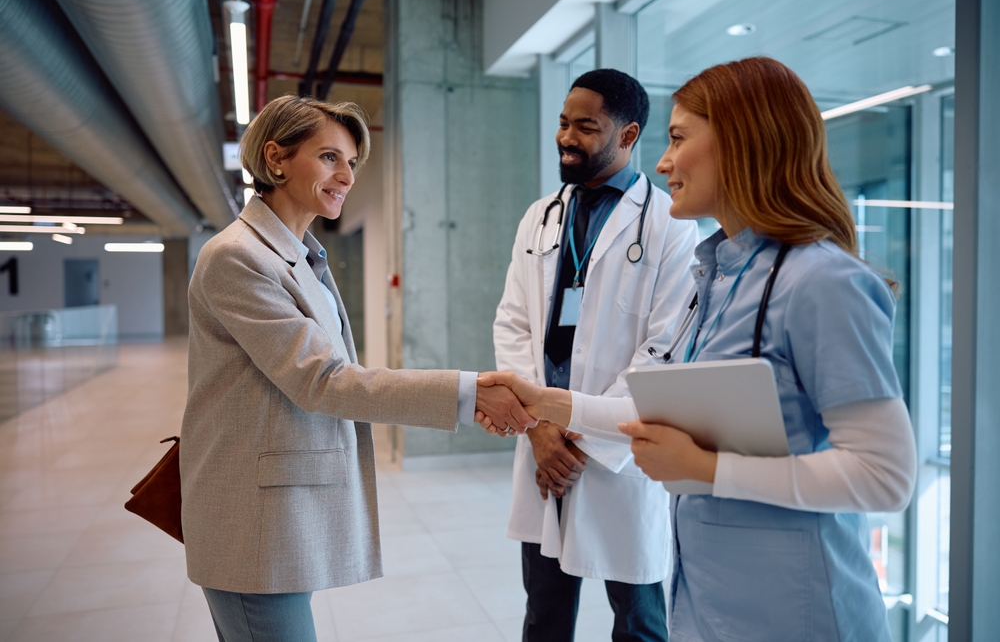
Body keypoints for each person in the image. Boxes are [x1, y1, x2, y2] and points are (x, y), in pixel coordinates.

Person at [479, 56, 918, 642]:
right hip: (711, 603)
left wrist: (704, 468)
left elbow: (885, 477)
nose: (663, 163)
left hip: (796, 612)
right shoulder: (717, 276)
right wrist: (542, 406)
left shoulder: (822, 282)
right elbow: (658, 404)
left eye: (678, 139)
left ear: (741, 144)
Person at [180, 95, 533, 642]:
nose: (346, 175)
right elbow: (323, 380)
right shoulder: (237, 257)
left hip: (280, 511)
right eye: (328, 158)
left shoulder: (298, 254)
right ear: (275, 159)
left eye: (350, 162)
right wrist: (469, 392)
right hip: (251, 522)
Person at [493, 68, 698, 642]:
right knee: (545, 614)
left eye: (586, 127)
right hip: (544, 449)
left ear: (628, 136)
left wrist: (578, 431)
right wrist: (538, 429)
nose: (566, 137)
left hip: (615, 455)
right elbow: (512, 323)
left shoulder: (671, 226)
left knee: (638, 622)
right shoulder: (541, 216)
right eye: (563, 122)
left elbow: (664, 351)